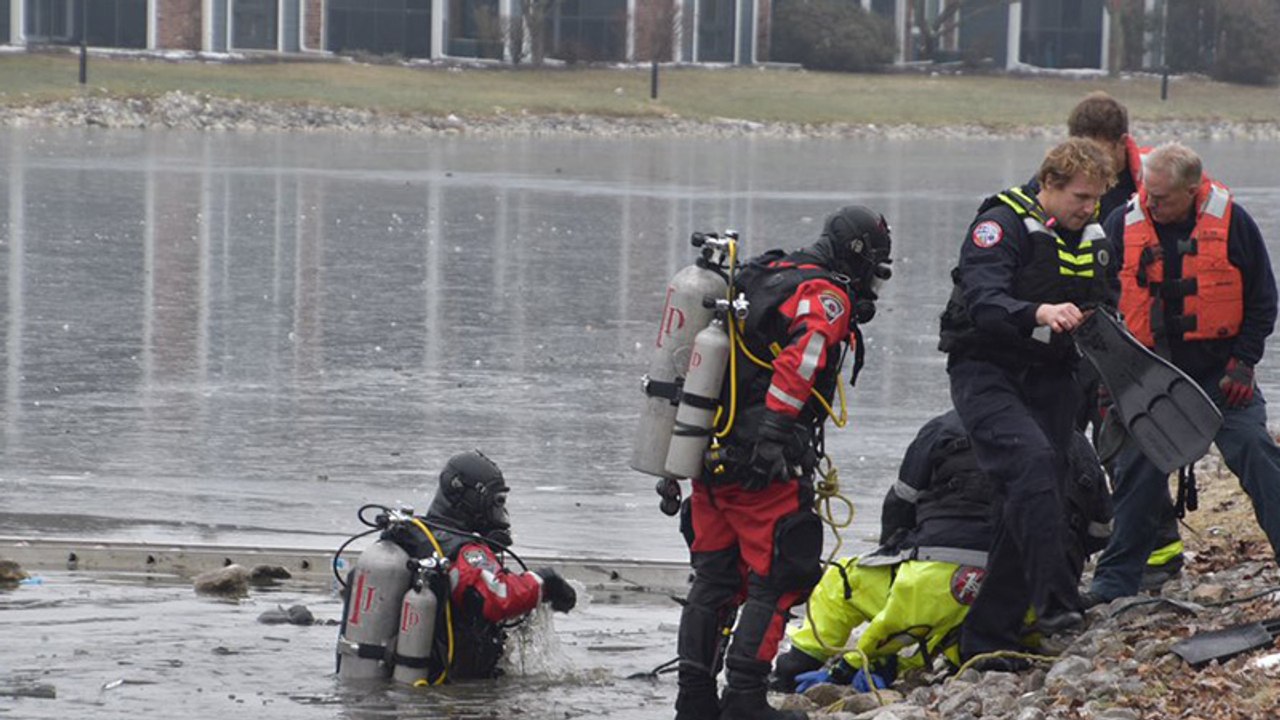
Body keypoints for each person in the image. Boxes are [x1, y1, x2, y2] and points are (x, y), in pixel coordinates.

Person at [674, 206, 892, 720]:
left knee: (714, 580)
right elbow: (804, 359)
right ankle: (745, 698)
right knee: (778, 575)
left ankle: (694, 699)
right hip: (762, 464)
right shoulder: (826, 294)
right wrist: (773, 435)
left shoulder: (764, 271)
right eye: (877, 270)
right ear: (859, 257)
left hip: (707, 448)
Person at [769, 410, 1111, 692]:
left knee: (841, 580)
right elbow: (1100, 532)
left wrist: (897, 553)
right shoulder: (1076, 443)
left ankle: (795, 666)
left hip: (937, 581)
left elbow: (899, 505)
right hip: (1035, 599)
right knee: (947, 626)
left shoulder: (948, 425)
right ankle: (948, 649)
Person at [937, 137, 1115, 670]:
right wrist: (1040, 311)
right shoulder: (1000, 226)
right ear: (1050, 184)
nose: (1089, 208)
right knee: (1031, 465)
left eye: (1096, 199)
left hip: (1053, 375)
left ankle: (990, 637)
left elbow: (1107, 301)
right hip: (987, 370)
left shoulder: (1092, 235)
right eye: (1080, 197)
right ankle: (1056, 605)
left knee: (1041, 491)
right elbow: (985, 300)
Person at [1089, 142, 1280, 603]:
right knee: (1136, 467)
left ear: (1192, 191)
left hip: (1221, 377)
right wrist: (1112, 383)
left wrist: (1243, 363)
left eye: (1162, 198)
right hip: (1150, 380)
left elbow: (1262, 300)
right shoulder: (1121, 224)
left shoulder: (1234, 223)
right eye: (1147, 194)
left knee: (1255, 451)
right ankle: (1114, 583)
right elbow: (1101, 308)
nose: (1151, 204)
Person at [1064, 90, 1186, 587]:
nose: (1091, 165)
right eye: (1082, 152)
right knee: (1064, 438)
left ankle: (1161, 548)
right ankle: (1072, 541)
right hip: (1073, 332)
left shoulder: (1150, 190)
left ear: (1121, 145)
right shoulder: (1063, 185)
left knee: (1127, 442)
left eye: (1099, 153)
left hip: (1129, 342)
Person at [386, 450, 577, 679]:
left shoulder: (417, 535)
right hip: (450, 686)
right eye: (496, 501)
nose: (499, 511)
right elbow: (500, 597)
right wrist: (545, 582)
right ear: (472, 499)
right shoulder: (464, 550)